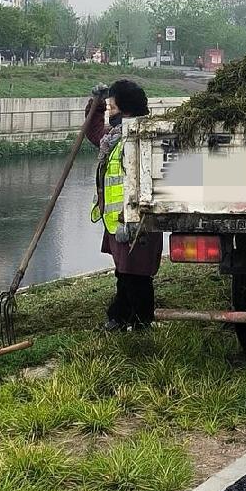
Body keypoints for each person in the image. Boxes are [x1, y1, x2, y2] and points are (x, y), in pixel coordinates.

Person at [85, 78, 162, 329]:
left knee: (136, 275)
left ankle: (139, 322)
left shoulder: (142, 138)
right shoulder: (115, 137)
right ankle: (121, 317)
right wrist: (95, 104)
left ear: (127, 110)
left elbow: (145, 183)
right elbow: (94, 131)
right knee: (124, 272)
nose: (110, 113)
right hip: (118, 222)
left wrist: (135, 218)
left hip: (136, 224)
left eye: (113, 108)